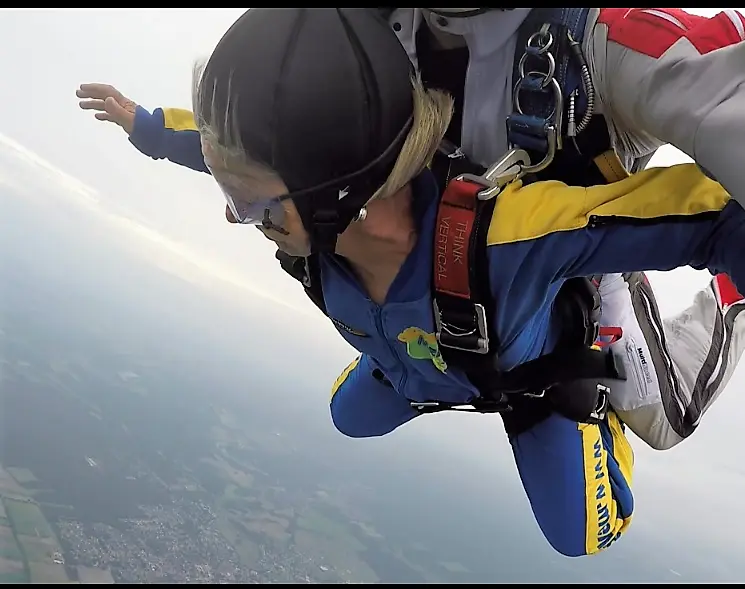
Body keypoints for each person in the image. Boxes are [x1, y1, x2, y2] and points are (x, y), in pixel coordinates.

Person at [78, 8, 745, 557]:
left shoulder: (510, 227)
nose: (238, 218)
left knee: (607, 497)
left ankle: (720, 308)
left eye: (253, 209)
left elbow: (712, 209)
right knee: (350, 417)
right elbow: (250, 151)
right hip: (416, 328)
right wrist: (150, 127)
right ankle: (420, 363)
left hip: (537, 327)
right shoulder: (347, 83)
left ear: (334, 195)